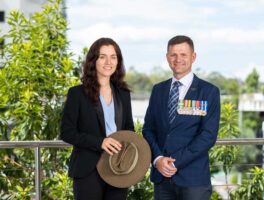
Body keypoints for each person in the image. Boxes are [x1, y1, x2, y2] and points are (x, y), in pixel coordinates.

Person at [142, 35, 220, 200]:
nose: (178, 59)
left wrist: (175, 163)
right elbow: (148, 129)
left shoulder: (208, 91)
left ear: (193, 57)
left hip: (193, 181)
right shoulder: (158, 90)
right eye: (173, 55)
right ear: (167, 58)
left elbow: (207, 136)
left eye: (183, 54)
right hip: (162, 180)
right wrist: (158, 159)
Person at [60, 37, 134, 200]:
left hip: (118, 167)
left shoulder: (123, 94)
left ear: (118, 61)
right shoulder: (77, 94)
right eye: (103, 56)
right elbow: (67, 132)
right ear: (93, 61)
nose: (109, 62)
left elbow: (129, 129)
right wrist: (100, 142)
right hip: (87, 168)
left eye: (113, 57)